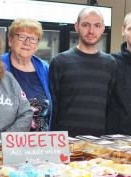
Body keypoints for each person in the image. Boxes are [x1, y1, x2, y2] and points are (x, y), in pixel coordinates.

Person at [49, 7, 116, 137]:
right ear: (76, 26)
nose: (91, 31)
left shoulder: (110, 63)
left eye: (97, 26)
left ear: (102, 29)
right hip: (66, 142)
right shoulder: (59, 61)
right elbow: (53, 107)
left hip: (99, 144)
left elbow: (111, 107)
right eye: (86, 25)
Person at [1, 18, 51, 131]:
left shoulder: (45, 68)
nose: (27, 42)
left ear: (37, 44)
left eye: (33, 39)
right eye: (22, 37)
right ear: (10, 40)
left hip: (42, 143)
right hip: (6, 142)